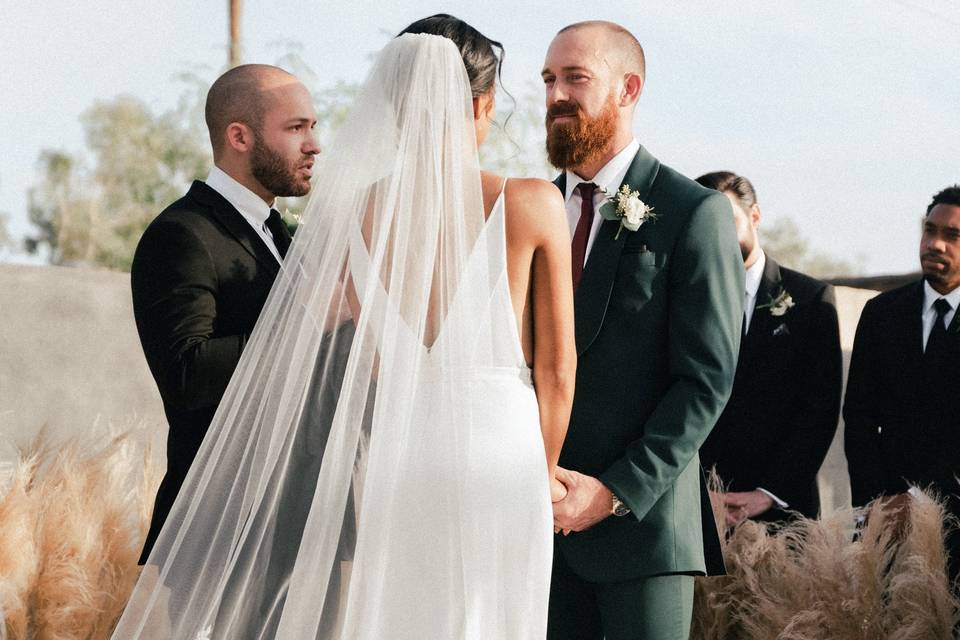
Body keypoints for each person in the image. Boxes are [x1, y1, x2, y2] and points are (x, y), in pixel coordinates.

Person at [114, 16, 576, 640]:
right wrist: (542, 474)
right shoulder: (532, 201)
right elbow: (557, 370)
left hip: (395, 460)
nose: (315, 143)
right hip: (495, 456)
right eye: (297, 128)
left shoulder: (351, 218)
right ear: (483, 102)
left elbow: (363, 363)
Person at [543, 21, 743, 640]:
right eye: (549, 79)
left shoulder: (694, 213)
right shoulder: (530, 211)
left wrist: (613, 492)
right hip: (535, 534)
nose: (556, 95)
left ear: (628, 89)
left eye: (576, 77)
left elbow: (705, 381)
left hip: (644, 534)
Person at [130, 64, 319, 564]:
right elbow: (187, 376)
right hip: (218, 534)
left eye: (313, 128)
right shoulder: (182, 234)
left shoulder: (284, 235)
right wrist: (309, 313)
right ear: (239, 135)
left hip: (299, 526)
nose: (314, 145)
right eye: (296, 128)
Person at [696, 171, 842, 525]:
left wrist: (769, 493)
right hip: (701, 507)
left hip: (782, 512)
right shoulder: (685, 300)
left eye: (726, 221)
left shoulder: (811, 300)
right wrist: (698, 492)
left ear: (755, 217)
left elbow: (819, 410)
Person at [844, 185, 960, 585]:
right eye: (930, 231)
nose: (936, 244)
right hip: (889, 515)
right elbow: (858, 416)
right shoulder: (882, 314)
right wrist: (878, 501)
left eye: (953, 236)